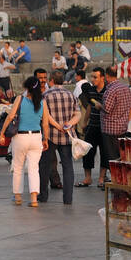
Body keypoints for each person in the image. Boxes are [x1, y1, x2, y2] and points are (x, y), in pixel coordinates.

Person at [0, 75, 49, 207]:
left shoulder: (20, 99)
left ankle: (18, 196)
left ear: (27, 88)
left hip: (21, 137)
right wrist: (46, 139)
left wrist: (2, 133)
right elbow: (45, 124)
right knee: (34, 169)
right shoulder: (43, 102)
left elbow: (10, 117)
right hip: (36, 137)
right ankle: (33, 199)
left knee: (18, 167)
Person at [38, 70, 79, 205]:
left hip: (50, 135)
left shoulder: (45, 95)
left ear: (51, 81)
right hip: (67, 135)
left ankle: (43, 196)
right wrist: (68, 124)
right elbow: (78, 114)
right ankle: (68, 198)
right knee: (68, 166)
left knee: (45, 166)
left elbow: (46, 116)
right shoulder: (70, 95)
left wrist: (57, 125)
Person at [98, 65, 131, 169]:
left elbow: (107, 109)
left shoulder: (110, 90)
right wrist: (127, 121)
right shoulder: (125, 88)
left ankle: (116, 180)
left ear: (107, 76)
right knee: (121, 156)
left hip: (110, 130)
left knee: (112, 158)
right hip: (122, 128)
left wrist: (98, 105)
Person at [77, 70, 106, 187]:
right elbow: (89, 106)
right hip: (92, 125)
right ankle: (87, 178)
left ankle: (101, 178)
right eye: (92, 77)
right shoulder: (91, 90)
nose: (93, 79)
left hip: (104, 127)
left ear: (102, 78)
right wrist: (84, 122)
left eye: (95, 77)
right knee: (88, 152)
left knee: (104, 153)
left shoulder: (108, 90)